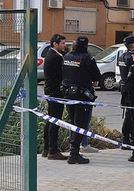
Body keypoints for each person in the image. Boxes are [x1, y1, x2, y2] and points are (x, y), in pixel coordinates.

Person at [61, 37, 100, 165]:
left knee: (73, 123)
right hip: (81, 96)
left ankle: (74, 151)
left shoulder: (67, 56)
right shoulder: (86, 58)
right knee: (80, 125)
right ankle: (74, 154)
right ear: (86, 45)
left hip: (68, 95)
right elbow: (97, 76)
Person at [42, 34, 67, 160]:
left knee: (50, 120)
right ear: (55, 44)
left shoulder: (50, 55)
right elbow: (62, 74)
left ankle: (46, 149)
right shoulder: (56, 57)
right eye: (62, 43)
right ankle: (53, 150)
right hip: (55, 92)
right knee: (55, 121)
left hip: (50, 91)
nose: (64, 45)